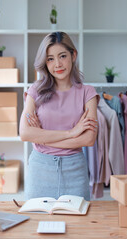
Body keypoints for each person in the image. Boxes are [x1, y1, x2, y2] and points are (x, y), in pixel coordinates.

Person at [20, 32, 99, 201]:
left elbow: (88, 139)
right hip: (40, 170)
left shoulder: (88, 93)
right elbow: (25, 133)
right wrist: (72, 132)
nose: (57, 64)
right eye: (50, 59)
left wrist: (42, 137)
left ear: (73, 55)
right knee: (36, 224)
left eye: (62, 56)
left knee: (77, 225)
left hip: (75, 171)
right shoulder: (35, 90)